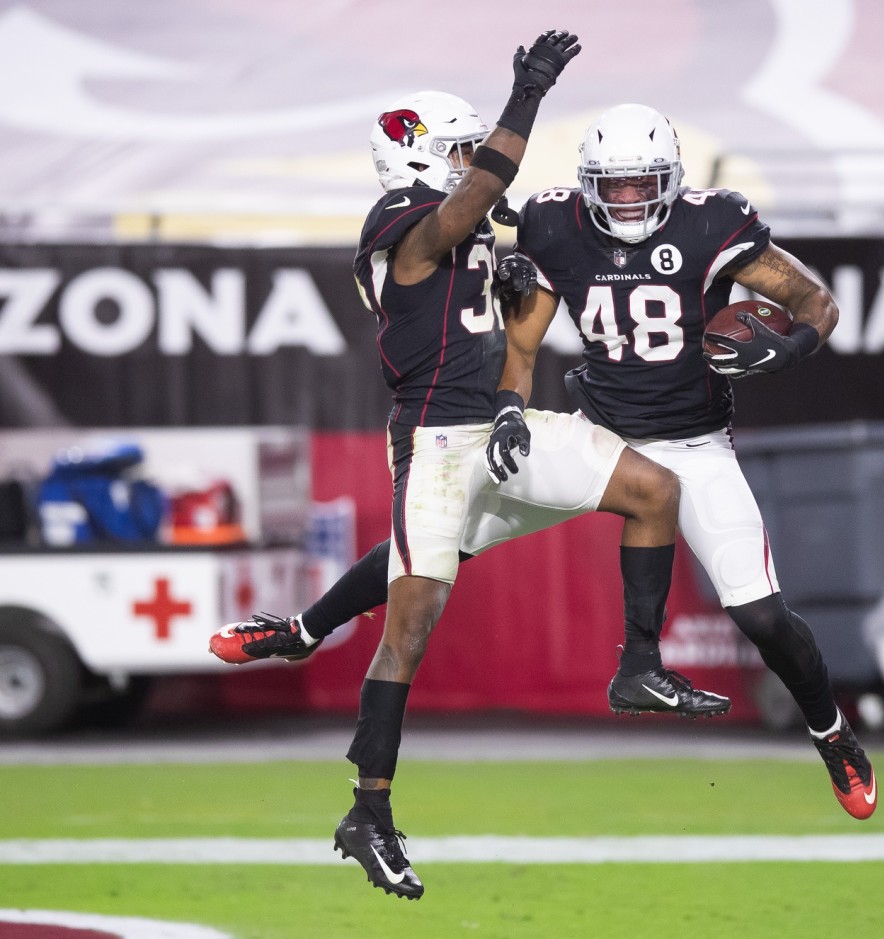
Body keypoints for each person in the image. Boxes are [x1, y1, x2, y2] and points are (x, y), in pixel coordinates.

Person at [215, 103, 878, 824]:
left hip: (693, 442)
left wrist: (790, 347)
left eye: (641, 184)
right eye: (613, 185)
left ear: (672, 176)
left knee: (762, 615)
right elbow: (522, 348)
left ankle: (832, 734)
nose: (627, 199)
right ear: (588, 182)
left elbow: (814, 299)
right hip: (599, 434)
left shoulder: (713, 220)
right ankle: (303, 631)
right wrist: (506, 407)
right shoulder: (555, 223)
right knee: (434, 540)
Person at [218, 33, 724, 904]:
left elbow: (498, 285)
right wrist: (524, 98)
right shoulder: (397, 224)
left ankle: (638, 663)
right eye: (452, 149)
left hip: (502, 423)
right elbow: (477, 197)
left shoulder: (464, 231)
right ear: (416, 155)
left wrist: (520, 277)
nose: (465, 164)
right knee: (412, 619)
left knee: (653, 490)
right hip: (436, 442)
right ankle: (367, 810)